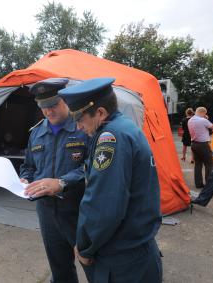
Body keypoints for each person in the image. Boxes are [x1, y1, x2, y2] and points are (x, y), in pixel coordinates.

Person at [59, 77, 162, 283]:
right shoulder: (124, 127)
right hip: (137, 248)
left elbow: (104, 203)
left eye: (79, 119)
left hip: (122, 259)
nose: (78, 126)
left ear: (100, 113)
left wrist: (86, 247)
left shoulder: (110, 138)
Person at [20, 78, 92, 283]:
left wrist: (61, 182)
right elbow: (29, 166)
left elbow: (93, 167)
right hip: (46, 212)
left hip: (78, 209)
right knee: (59, 266)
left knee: (92, 263)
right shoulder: (36, 133)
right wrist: (25, 179)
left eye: (53, 105)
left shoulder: (83, 127)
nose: (49, 111)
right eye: (44, 107)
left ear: (66, 101)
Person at [188, 107, 213, 188]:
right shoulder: (203, 120)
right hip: (203, 144)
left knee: (198, 164)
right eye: (205, 114)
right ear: (203, 113)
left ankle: (198, 184)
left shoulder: (190, 120)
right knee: (209, 163)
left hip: (194, 143)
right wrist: (206, 119)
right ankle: (209, 184)